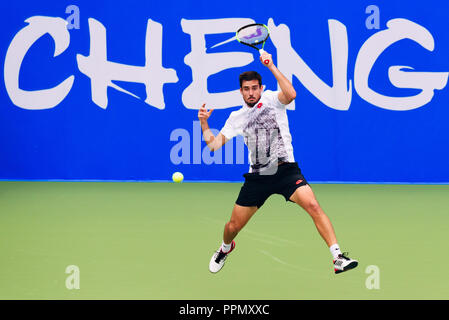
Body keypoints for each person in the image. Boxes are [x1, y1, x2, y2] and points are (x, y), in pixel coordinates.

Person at [198, 51, 358, 275]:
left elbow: (291, 93)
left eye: (255, 88)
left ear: (261, 88)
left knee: (313, 205)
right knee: (232, 227)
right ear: (241, 92)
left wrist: (271, 65)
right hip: (259, 177)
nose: (251, 92)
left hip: (286, 171)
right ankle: (225, 248)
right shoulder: (236, 118)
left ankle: (338, 257)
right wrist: (204, 124)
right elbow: (213, 145)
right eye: (246, 89)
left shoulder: (273, 99)